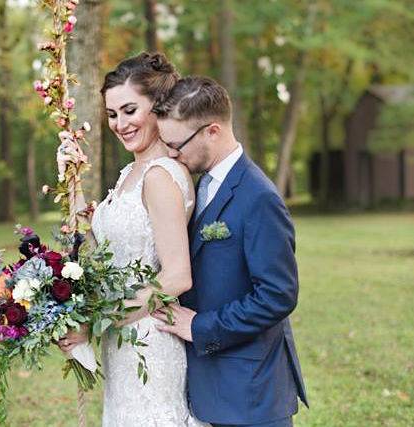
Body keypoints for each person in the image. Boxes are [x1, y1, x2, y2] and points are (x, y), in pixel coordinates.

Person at [58, 52, 208, 426]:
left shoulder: (159, 176)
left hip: (148, 340)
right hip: (123, 340)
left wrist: (94, 322)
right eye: (112, 115)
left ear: (157, 107)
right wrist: (73, 181)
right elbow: (105, 251)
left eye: (129, 111)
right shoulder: (132, 171)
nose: (120, 124)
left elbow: (176, 277)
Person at [152, 76, 309, 427]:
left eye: (177, 144)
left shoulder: (259, 197)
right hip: (209, 389)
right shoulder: (195, 187)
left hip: (250, 394)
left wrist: (201, 326)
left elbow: (277, 295)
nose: (172, 154)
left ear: (212, 131)